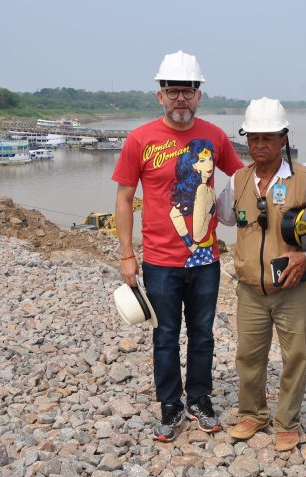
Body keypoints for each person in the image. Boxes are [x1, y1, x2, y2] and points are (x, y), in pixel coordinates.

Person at [112, 50, 244, 442]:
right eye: (173, 92)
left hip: (205, 259)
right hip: (160, 261)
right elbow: (123, 199)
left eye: (188, 91)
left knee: (202, 333)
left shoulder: (215, 136)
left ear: (199, 95)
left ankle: (200, 399)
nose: (180, 99)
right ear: (160, 96)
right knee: (166, 335)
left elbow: (242, 179)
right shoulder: (140, 140)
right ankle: (171, 406)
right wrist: (126, 254)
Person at [216, 97, 306, 452]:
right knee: (248, 356)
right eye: (253, 138)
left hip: (293, 290)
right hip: (250, 290)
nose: (259, 146)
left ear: (283, 138)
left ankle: (287, 422)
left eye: (267, 138)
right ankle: (253, 413)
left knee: (295, 356)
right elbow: (222, 216)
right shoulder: (239, 180)